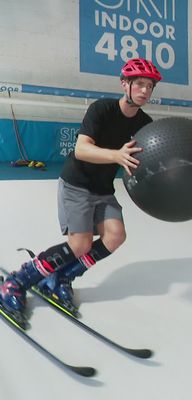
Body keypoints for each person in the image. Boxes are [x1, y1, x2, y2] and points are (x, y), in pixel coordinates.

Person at [0, 58, 162, 318]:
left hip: (103, 189)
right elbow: (82, 149)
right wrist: (116, 156)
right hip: (76, 183)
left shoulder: (144, 122)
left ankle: (61, 277)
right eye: (139, 84)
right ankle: (17, 282)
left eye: (150, 86)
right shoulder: (102, 109)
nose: (145, 91)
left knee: (115, 236)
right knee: (80, 244)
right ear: (125, 84)